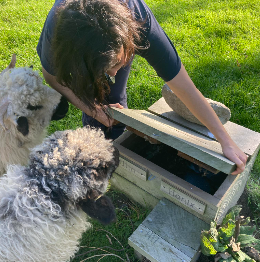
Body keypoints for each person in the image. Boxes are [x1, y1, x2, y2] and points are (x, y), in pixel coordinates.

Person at [37, 0, 248, 175]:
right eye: (107, 69)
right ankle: (94, 152)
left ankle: (117, 151)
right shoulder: (57, 31)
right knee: (90, 100)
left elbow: (184, 88)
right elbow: (52, 78)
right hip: (80, 48)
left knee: (113, 96)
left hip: (122, 31)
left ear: (128, 41)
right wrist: (92, 109)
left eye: (117, 64)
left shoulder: (142, 23)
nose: (112, 74)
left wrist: (225, 141)